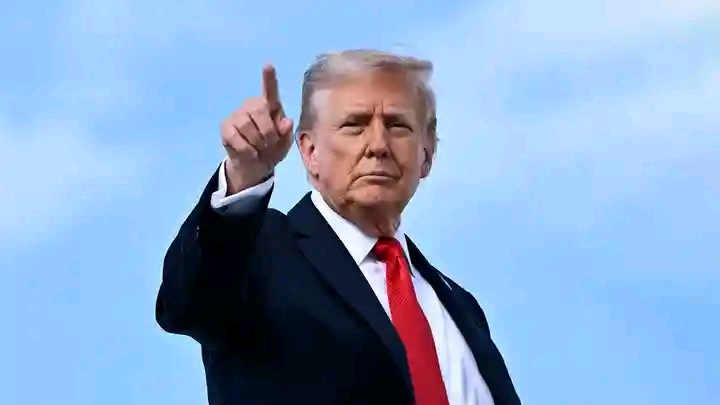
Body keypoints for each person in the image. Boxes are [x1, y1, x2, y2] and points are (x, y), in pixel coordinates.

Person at [156, 49, 521, 405]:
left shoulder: (461, 307)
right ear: (309, 152)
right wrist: (243, 174)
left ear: (426, 154)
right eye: (354, 126)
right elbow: (190, 302)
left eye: (397, 125)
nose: (378, 145)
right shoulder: (259, 252)